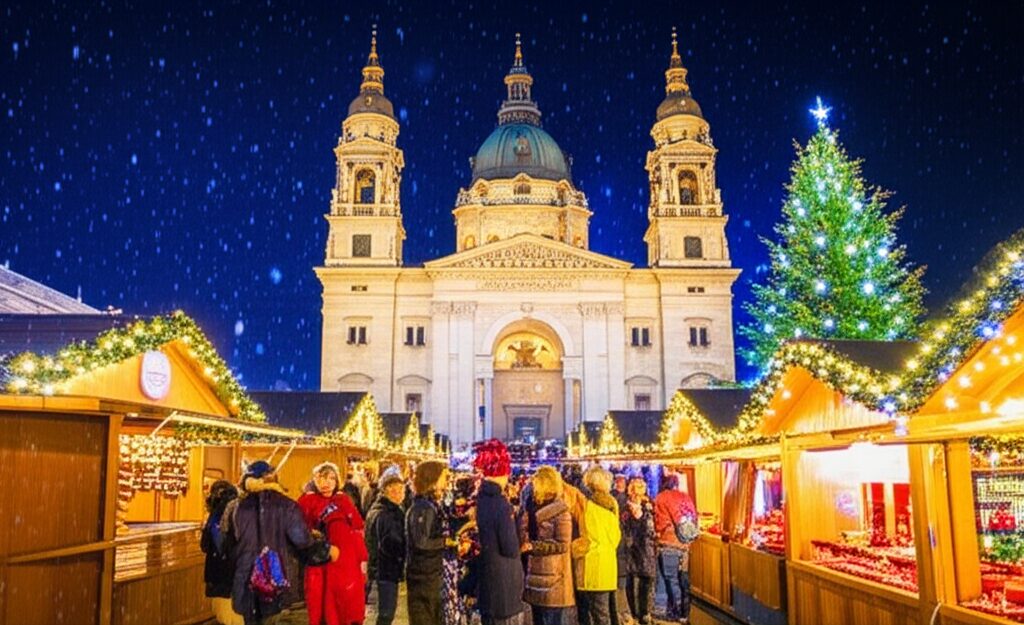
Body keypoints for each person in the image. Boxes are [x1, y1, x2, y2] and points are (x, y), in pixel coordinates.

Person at [222, 460, 336, 625]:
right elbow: (303, 542)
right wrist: (326, 551)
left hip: (244, 580)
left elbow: (227, 545)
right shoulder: (287, 506)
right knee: (270, 618)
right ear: (273, 478)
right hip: (273, 579)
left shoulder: (235, 507)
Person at [297, 461, 368, 625]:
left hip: (345, 563)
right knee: (320, 605)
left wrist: (362, 561)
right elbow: (300, 532)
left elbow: (357, 528)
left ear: (337, 481)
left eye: (331, 479)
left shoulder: (343, 501)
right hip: (319, 564)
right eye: (321, 478)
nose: (325, 483)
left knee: (343, 605)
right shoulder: (307, 502)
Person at [471, 439, 526, 625]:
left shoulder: (482, 500)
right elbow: (510, 548)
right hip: (504, 583)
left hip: (488, 579)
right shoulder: (502, 505)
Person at [521, 465, 574, 625]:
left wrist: (533, 546)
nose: (532, 484)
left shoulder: (560, 511)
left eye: (536, 480)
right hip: (534, 576)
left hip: (553, 579)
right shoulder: (530, 507)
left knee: (553, 619)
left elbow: (563, 544)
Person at [573, 465, 621, 625]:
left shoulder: (588, 507)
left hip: (592, 569)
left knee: (593, 615)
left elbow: (586, 540)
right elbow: (616, 538)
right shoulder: (612, 506)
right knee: (604, 615)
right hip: (608, 567)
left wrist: (571, 549)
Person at [406, 460, 451, 625]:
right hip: (424, 577)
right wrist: (446, 542)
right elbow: (421, 542)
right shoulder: (424, 507)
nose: (447, 481)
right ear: (433, 478)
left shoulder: (429, 505)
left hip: (429, 573)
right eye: (444, 477)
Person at [654, 473, 697, 623]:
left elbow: (659, 523)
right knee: (682, 579)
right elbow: (693, 519)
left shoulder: (662, 497)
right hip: (685, 544)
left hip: (668, 543)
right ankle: (684, 611)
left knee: (670, 579)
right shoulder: (686, 497)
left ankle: (677, 612)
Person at [364, 474, 407, 625]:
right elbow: (391, 543)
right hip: (386, 570)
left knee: (381, 612)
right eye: (394, 491)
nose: (399, 495)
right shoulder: (388, 513)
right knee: (386, 614)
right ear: (385, 492)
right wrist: (404, 554)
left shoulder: (377, 509)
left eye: (401, 490)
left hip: (378, 568)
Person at [201, 480, 242, 625]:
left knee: (225, 612)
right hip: (239, 570)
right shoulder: (242, 507)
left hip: (220, 572)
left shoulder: (217, 513)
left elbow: (206, 545)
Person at [622, 478, 657, 625]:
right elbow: (632, 533)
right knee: (637, 584)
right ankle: (639, 615)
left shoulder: (646, 508)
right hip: (637, 552)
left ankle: (642, 615)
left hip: (643, 552)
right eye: (637, 492)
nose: (638, 496)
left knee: (643, 584)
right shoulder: (628, 511)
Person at [611, 474, 631, 625]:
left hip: (618, 552)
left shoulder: (613, 500)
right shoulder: (624, 502)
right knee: (621, 586)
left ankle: (621, 615)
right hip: (621, 552)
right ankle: (623, 615)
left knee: (620, 587)